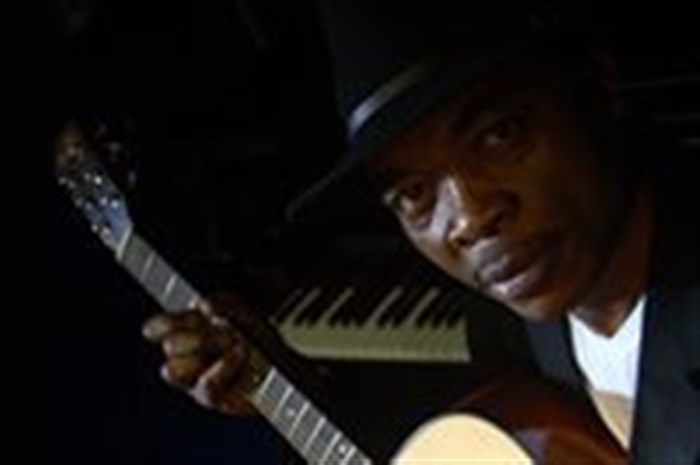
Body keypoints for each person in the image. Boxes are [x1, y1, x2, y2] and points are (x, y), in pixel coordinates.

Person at [142, 1, 699, 463]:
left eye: (500, 135)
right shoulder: (523, 312)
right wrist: (290, 389)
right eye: (413, 194)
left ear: (598, 85)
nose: (469, 217)